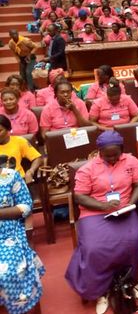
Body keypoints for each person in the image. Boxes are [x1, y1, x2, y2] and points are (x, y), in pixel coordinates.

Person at [65, 131, 138, 314]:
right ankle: (101, 290)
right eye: (106, 155)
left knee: (133, 239)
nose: (111, 158)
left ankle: (128, 281)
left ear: (122, 150)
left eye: (115, 154)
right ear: (99, 151)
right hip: (95, 212)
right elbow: (79, 197)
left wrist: (131, 203)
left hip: (124, 208)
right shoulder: (87, 169)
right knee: (94, 247)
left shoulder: (131, 162)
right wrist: (103, 206)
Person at [0, 165, 45, 314]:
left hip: (8, 234)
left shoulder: (10, 176)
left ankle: (14, 307)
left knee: (6, 272)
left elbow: (26, 206)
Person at [0, 114, 42, 183]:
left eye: (0, 131)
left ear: (8, 129)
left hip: (18, 182)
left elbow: (38, 158)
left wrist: (31, 171)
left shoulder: (19, 141)